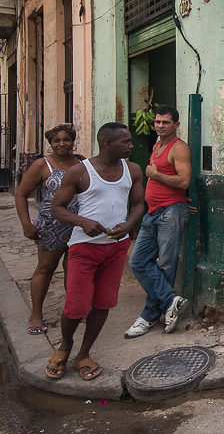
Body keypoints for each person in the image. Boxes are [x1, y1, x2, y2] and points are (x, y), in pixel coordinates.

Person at [44, 123, 145, 381]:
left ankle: (84, 354)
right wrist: (82, 222)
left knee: (103, 303)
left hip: (115, 247)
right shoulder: (80, 171)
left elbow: (138, 204)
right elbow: (57, 208)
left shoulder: (132, 170)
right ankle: (64, 347)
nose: (131, 146)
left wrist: (129, 225)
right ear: (108, 143)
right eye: (126, 141)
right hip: (83, 248)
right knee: (76, 305)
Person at [125, 105, 191, 338]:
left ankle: (148, 316)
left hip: (170, 213)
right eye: (157, 122)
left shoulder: (179, 148)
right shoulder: (156, 145)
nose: (160, 126)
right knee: (138, 261)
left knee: (166, 265)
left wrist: (156, 175)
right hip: (152, 213)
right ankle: (171, 301)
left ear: (176, 125)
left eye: (165, 122)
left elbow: (183, 181)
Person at [14, 124, 83, 335]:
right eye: (57, 141)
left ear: (73, 142)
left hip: (77, 225)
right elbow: (21, 195)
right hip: (51, 226)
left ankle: (72, 310)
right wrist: (27, 224)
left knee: (73, 269)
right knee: (45, 268)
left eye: (66, 140)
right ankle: (36, 314)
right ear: (50, 144)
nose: (62, 144)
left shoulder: (81, 163)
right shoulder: (41, 165)